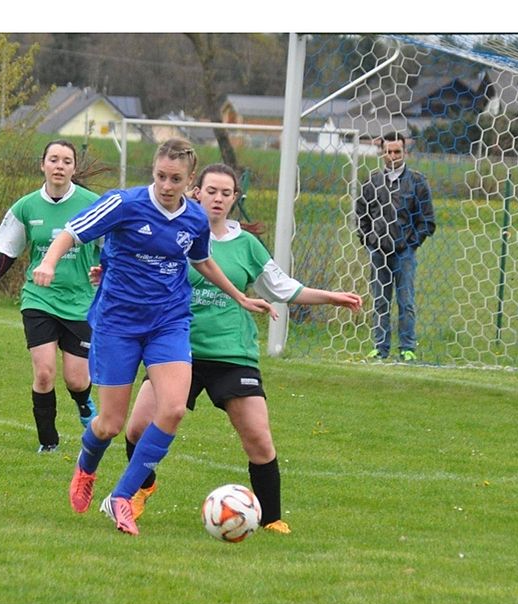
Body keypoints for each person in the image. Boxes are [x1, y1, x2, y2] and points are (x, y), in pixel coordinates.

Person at [32, 138, 276, 536]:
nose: (166, 185)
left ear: (189, 180)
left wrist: (240, 297)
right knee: (109, 424)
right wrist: (48, 261)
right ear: (153, 172)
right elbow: (70, 234)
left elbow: (202, 261)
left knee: (174, 409)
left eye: (175, 179)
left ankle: (122, 497)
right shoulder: (125, 204)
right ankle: (86, 466)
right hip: (118, 323)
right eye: (161, 176)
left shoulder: (195, 219)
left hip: (169, 322)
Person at [120, 163, 362, 534]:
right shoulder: (175, 233)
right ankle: (141, 488)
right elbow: (142, 271)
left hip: (232, 354)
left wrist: (330, 297)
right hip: (175, 349)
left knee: (259, 439)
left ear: (235, 199)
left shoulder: (246, 245)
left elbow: (282, 288)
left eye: (226, 193)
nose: (218, 199)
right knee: (136, 429)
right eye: (211, 191)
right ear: (195, 191)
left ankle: (271, 518)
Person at [0, 140, 100, 453]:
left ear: (74, 168)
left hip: (82, 302)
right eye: (53, 159)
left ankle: (84, 405)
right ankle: (48, 442)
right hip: (38, 299)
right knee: (43, 373)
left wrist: (104, 270)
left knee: (77, 380)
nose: (59, 166)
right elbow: (8, 250)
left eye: (66, 161)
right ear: (43, 165)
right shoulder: (26, 206)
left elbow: (114, 248)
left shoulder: (93, 204)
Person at [355, 131, 435, 362]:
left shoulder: (418, 182)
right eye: (388, 152)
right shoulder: (372, 181)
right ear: (382, 153)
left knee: (405, 301)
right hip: (378, 251)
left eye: (397, 151)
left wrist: (411, 243)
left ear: (405, 152)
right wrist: (369, 240)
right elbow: (361, 214)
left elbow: (427, 220)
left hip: (404, 253)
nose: (393, 156)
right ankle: (380, 348)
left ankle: (407, 348)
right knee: (380, 301)